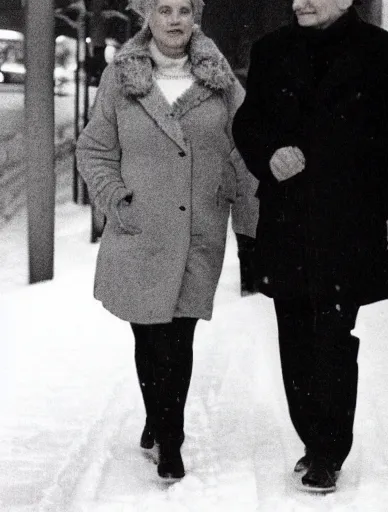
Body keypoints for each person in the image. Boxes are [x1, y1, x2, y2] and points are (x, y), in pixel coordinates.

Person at [233, 0, 388, 493]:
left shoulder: (381, 51)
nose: (301, 2)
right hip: (288, 218)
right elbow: (248, 123)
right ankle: (311, 437)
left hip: (350, 223)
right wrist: (269, 154)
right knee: (294, 335)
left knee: (333, 336)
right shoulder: (271, 50)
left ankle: (328, 450)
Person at [76, 0, 258, 481]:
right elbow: (95, 148)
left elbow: (245, 146)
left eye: (183, 9)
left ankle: (169, 438)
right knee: (149, 335)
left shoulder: (218, 77)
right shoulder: (120, 77)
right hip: (140, 230)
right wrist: (116, 200)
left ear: (194, 16)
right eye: (164, 10)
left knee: (179, 335)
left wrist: (247, 220)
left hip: (199, 229)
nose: (175, 20)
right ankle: (160, 418)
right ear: (147, 18)